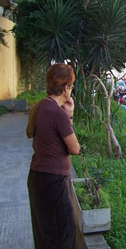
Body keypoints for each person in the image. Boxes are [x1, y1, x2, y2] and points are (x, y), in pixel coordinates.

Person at [26, 63, 80, 249]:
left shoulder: (41, 106)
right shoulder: (57, 113)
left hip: (38, 177)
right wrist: (69, 116)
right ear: (66, 88)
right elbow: (75, 148)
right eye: (71, 86)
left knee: (45, 234)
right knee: (63, 233)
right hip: (53, 181)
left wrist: (68, 114)